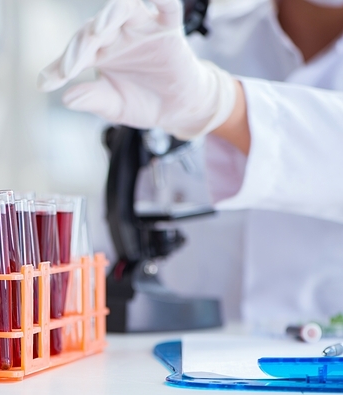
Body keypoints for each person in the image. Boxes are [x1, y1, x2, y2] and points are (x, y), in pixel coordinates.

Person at [37, 0, 343, 325]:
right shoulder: (190, 43)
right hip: (161, 364)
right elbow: (111, 241)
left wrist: (224, 105)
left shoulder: (200, 77)